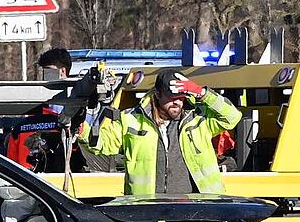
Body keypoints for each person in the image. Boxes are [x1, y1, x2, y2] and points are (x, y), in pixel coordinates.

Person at [79, 70, 241, 195]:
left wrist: (203, 93)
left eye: (181, 97)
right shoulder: (131, 119)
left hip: (196, 209)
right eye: (171, 97)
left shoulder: (198, 119)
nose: (177, 102)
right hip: (149, 211)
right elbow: (102, 144)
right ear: (157, 94)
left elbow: (232, 117)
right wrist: (82, 130)